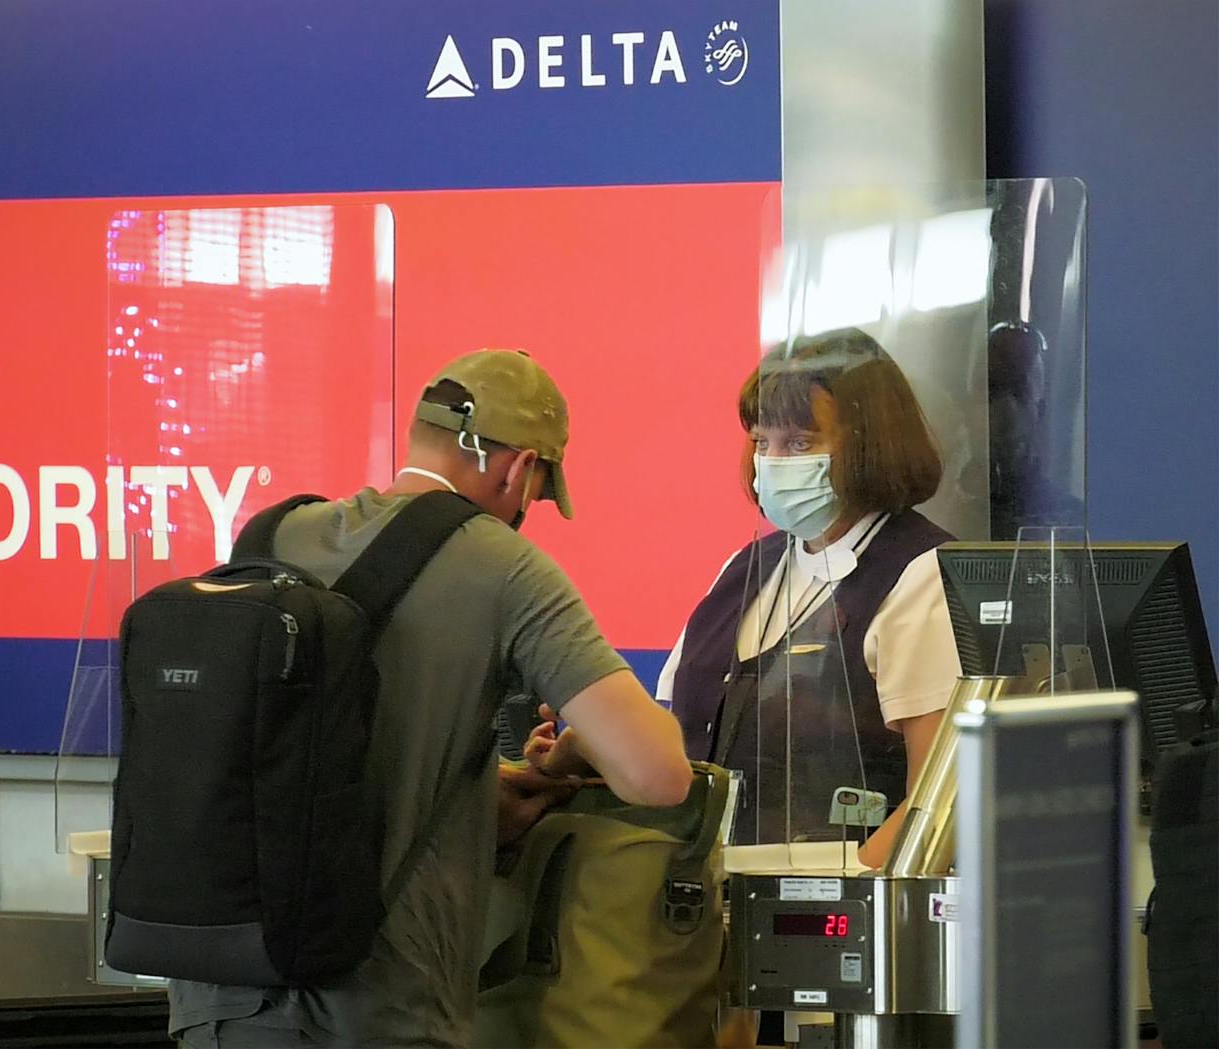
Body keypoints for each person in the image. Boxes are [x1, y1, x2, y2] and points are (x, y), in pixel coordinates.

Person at [170, 348, 691, 1048]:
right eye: (534, 494)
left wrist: (481, 805)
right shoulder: (502, 565)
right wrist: (569, 752)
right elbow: (656, 774)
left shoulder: (270, 535)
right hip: (382, 1008)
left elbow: (313, 755)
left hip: (219, 997)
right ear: (518, 467)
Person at [653, 327, 962, 867]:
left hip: (837, 912)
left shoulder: (921, 574)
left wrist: (847, 904)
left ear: (870, 445)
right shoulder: (744, 569)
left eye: (799, 443)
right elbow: (669, 731)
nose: (772, 462)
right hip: (702, 900)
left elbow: (937, 801)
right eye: (761, 441)